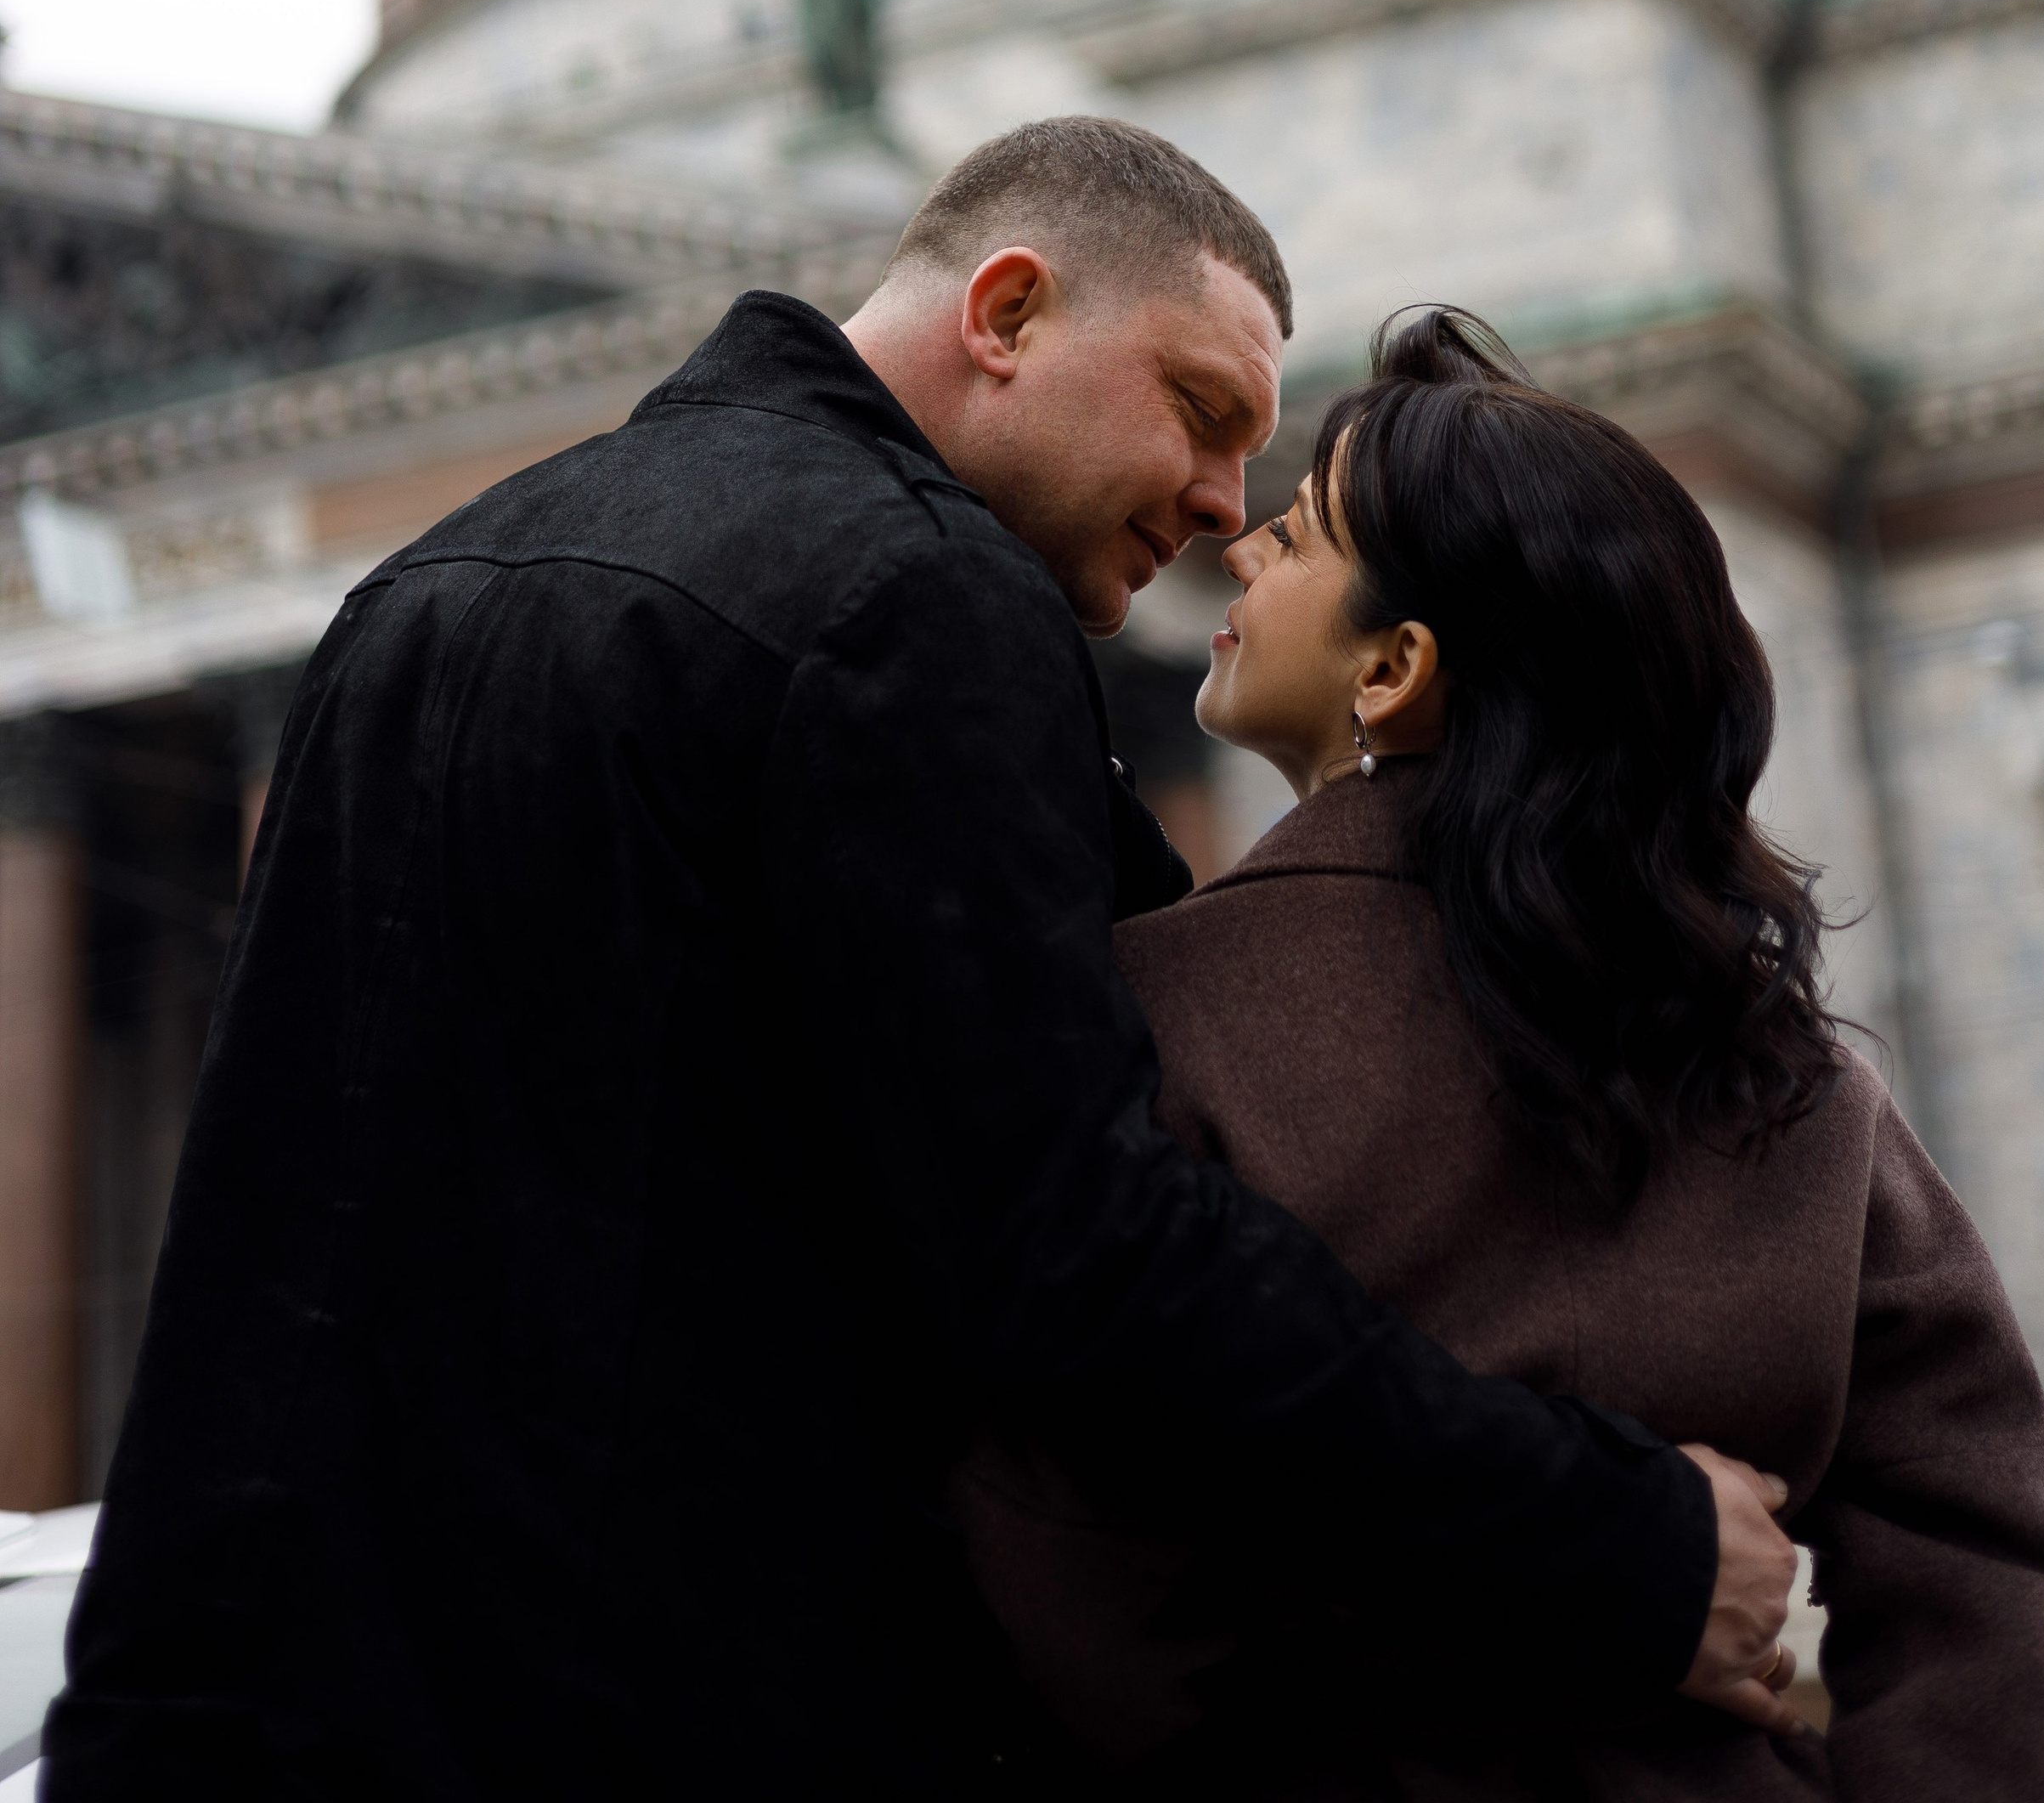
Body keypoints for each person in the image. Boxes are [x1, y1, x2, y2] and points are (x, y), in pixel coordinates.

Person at [48, 135, 1794, 1800]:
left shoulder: (426, 589)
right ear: (1007, 311)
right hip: (633, 1731)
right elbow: (1073, 1260)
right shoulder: (911, 593)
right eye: (1199, 414)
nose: (1220, 506)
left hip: (231, 1719)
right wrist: (1611, 1538)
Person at [957, 306, 2044, 1797]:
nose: (1235, 546)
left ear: (1394, 672)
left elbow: (1073, 1560)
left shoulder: (1145, 1016)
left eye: (1297, 537)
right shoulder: (1780, 1062)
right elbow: (1982, 1540)